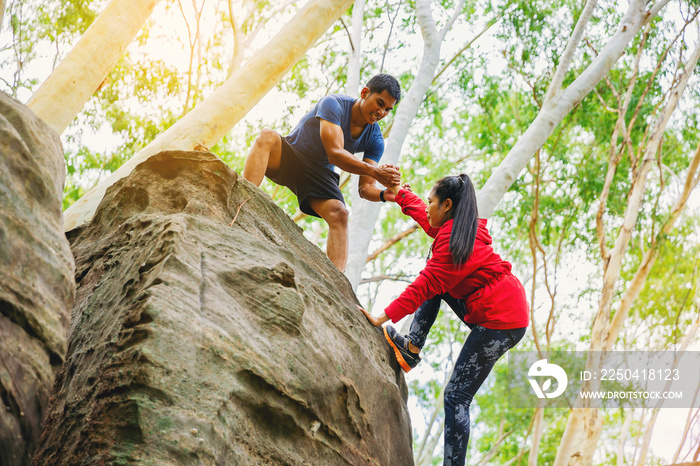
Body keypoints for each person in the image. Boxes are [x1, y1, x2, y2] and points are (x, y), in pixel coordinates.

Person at [358, 174, 529, 466]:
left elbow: (424, 286)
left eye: (432, 202)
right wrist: (397, 194)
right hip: (491, 307)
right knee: (434, 271)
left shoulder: (452, 245)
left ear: (447, 205)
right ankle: (411, 348)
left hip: (502, 320)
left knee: (457, 396)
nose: (427, 208)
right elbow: (420, 213)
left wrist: (381, 317)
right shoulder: (453, 230)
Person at [242, 74, 402, 272]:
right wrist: (376, 171)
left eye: (387, 109)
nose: (381, 112)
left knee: (340, 214)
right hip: (290, 156)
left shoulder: (376, 139)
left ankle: (337, 287)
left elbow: (365, 188)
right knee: (267, 136)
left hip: (319, 173)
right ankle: (242, 203)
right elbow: (334, 153)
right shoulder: (333, 103)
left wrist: (383, 194)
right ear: (364, 93)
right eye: (380, 103)